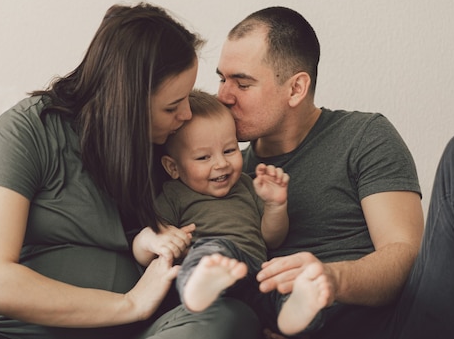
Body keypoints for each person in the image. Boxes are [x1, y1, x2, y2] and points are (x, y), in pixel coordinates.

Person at [0, 2, 260, 339]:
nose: (186, 116)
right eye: (172, 106)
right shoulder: (27, 130)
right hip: (3, 335)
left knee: (229, 317)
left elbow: (232, 220)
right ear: (126, 101)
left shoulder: (172, 150)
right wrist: (130, 303)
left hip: (135, 335)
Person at [216, 6, 454, 338]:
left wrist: (332, 279)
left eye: (242, 84)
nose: (222, 96)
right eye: (221, 79)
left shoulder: (362, 135)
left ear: (296, 89)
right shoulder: (222, 171)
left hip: (403, 325)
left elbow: (404, 253)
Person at [133, 89, 329, 336]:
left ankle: (292, 316)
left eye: (229, 150)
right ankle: (201, 286)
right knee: (212, 250)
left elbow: (272, 238)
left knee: (288, 285)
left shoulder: (246, 186)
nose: (221, 163)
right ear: (173, 167)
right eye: (204, 157)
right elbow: (142, 253)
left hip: (253, 272)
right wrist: (152, 239)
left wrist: (275, 205)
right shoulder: (174, 195)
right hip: (208, 270)